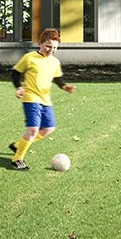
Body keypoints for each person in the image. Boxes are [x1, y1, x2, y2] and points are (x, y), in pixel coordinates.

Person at [7, 28, 74, 171]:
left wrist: (64, 86)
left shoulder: (55, 62)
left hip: (45, 100)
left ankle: (18, 145)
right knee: (33, 129)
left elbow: (56, 77)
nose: (51, 50)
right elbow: (15, 73)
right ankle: (17, 159)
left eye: (54, 47)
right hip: (30, 98)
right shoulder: (29, 57)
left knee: (48, 129)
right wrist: (19, 87)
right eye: (48, 46)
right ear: (40, 43)